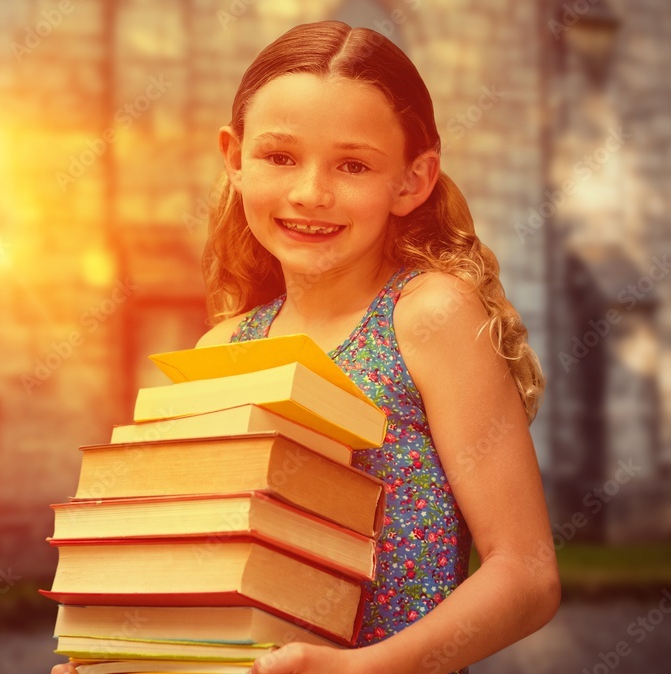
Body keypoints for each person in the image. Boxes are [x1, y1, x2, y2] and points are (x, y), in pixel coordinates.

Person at [51, 20, 559, 674]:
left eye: (352, 164)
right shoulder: (226, 343)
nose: (310, 193)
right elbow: (207, 577)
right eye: (281, 157)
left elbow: (528, 574)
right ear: (234, 158)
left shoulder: (430, 316)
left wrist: (362, 671)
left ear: (413, 179)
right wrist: (127, 658)